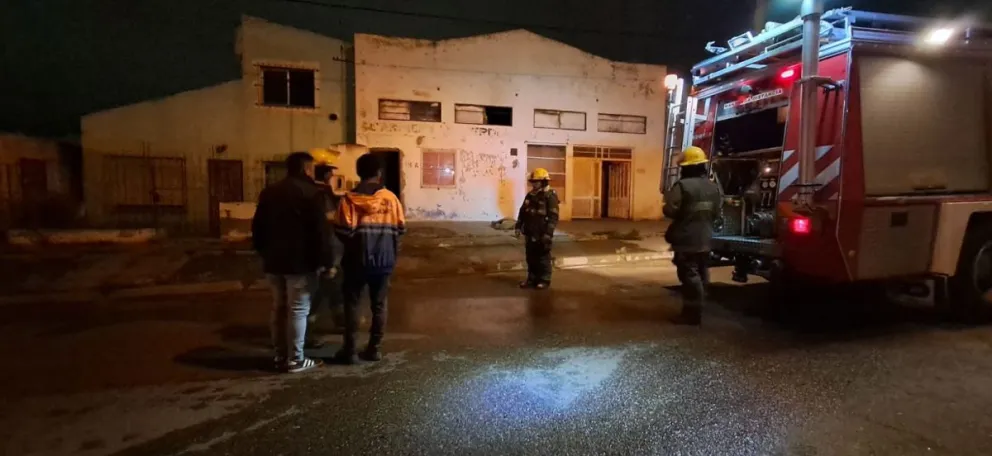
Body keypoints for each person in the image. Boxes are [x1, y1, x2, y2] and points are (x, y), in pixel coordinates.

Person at [251, 151, 331, 373]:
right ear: (307, 168)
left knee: (278, 308)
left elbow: (257, 227)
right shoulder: (311, 193)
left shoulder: (269, 192)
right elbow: (320, 232)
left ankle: (280, 356)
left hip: (274, 260)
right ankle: (296, 359)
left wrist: (263, 251)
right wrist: (326, 261)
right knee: (298, 309)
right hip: (300, 263)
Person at [332, 153, 406, 364]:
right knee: (379, 305)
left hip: (356, 261)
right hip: (384, 261)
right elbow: (400, 229)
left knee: (352, 304)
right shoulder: (391, 199)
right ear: (379, 173)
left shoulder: (348, 200)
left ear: (359, 172)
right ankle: (374, 349)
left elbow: (343, 232)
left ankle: (350, 351)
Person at [663, 146, 723, 326]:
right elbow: (717, 213)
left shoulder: (682, 186)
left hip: (686, 239)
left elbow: (670, 210)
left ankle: (691, 315)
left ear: (686, 168)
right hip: (705, 238)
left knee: (689, 276)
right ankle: (699, 308)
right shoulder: (713, 187)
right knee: (701, 273)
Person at [304, 148, 346, 349]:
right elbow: (329, 226)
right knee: (319, 290)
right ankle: (307, 333)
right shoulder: (322, 194)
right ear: (328, 174)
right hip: (325, 250)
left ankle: (340, 321)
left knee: (334, 286)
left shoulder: (308, 191)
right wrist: (329, 258)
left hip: (311, 249)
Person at [515, 168, 560, 290]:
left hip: (542, 233)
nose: (534, 184)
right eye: (533, 181)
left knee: (543, 257)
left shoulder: (550, 196)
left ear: (544, 182)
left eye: (537, 181)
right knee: (531, 257)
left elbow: (553, 217)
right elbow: (522, 211)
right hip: (530, 232)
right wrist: (518, 226)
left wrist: (548, 234)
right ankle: (531, 279)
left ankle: (544, 280)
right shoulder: (530, 195)